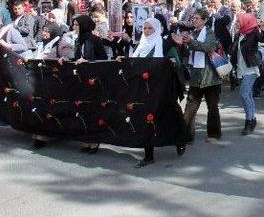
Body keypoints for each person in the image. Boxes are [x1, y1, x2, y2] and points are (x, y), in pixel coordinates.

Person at [122, 18, 186, 168]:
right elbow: (134, 63)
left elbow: (177, 63)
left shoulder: (164, 44)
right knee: (146, 118)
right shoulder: (141, 45)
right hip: (144, 89)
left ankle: (180, 140)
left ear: (157, 29)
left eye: (150, 28)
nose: (147, 31)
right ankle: (149, 155)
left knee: (168, 116)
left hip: (162, 89)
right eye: (145, 28)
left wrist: (169, 63)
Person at [173, 9, 222, 143]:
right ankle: (186, 135)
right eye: (193, 18)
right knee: (190, 107)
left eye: (197, 18)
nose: (194, 21)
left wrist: (189, 42)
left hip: (210, 77)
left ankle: (214, 134)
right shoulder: (192, 33)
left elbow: (207, 47)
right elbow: (187, 52)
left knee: (212, 107)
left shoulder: (210, 33)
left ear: (204, 20)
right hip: (196, 76)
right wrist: (180, 44)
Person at [69, 15, 108, 154]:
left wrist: (88, 61)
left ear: (84, 26)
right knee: (83, 110)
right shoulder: (78, 40)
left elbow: (103, 58)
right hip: (81, 79)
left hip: (93, 79)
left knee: (93, 111)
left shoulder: (94, 40)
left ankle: (94, 141)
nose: (74, 28)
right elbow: (76, 57)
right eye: (74, 25)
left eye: (77, 25)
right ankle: (86, 140)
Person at [231, 13, 264, 135]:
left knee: (244, 93)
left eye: (239, 21)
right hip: (241, 69)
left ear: (246, 22)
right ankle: (252, 119)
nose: (237, 23)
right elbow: (235, 51)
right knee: (248, 95)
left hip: (250, 69)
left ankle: (249, 120)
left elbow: (263, 38)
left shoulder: (254, 32)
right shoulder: (239, 34)